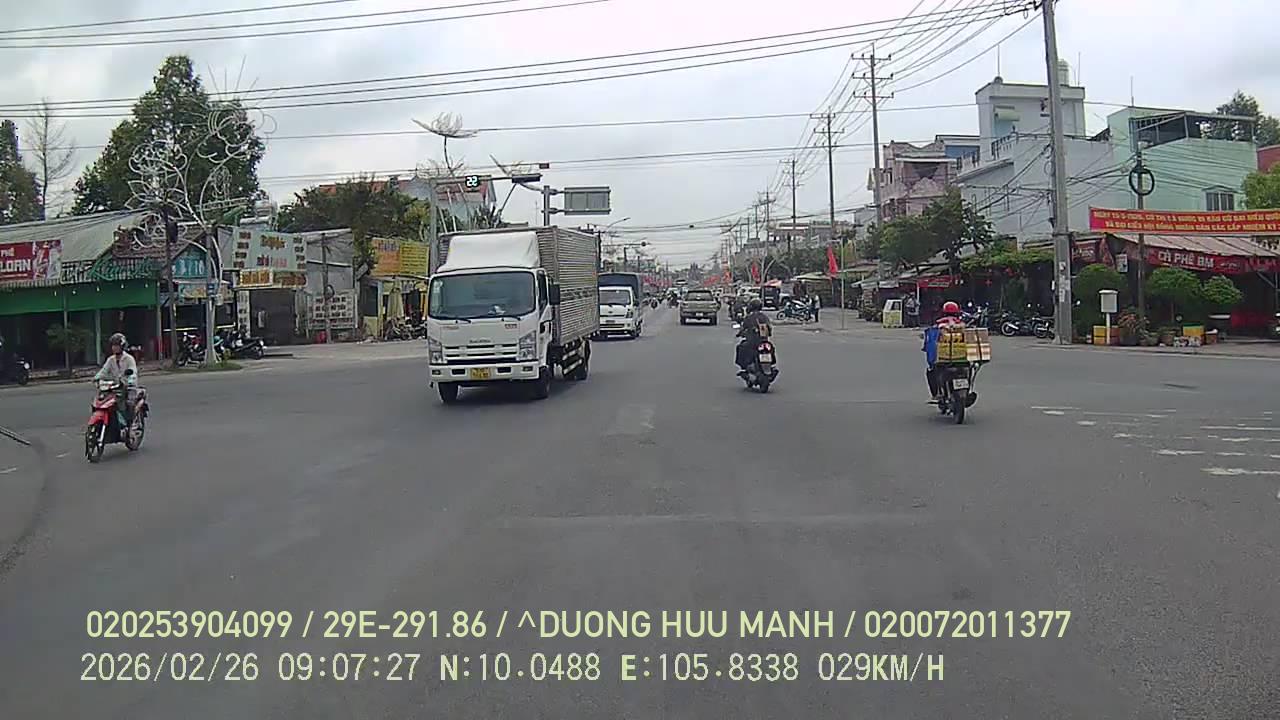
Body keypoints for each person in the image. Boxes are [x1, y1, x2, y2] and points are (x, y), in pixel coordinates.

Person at [94, 333, 139, 429]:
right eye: (113, 345)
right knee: (102, 400)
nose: (114, 348)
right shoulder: (111, 360)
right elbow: (104, 371)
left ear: (122, 346)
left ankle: (130, 424)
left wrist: (130, 380)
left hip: (128, 387)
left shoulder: (129, 359)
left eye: (117, 345)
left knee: (129, 403)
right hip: (115, 387)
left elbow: (133, 372)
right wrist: (97, 378)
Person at [922, 301, 964, 400]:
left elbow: (931, 342)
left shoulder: (939, 324)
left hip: (943, 358)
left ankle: (936, 394)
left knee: (931, 370)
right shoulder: (961, 324)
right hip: (962, 357)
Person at [735, 298, 771, 375]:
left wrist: (739, 334)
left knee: (740, 347)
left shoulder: (749, 317)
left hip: (752, 343)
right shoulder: (764, 317)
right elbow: (769, 328)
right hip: (764, 342)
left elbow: (743, 328)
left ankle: (745, 366)